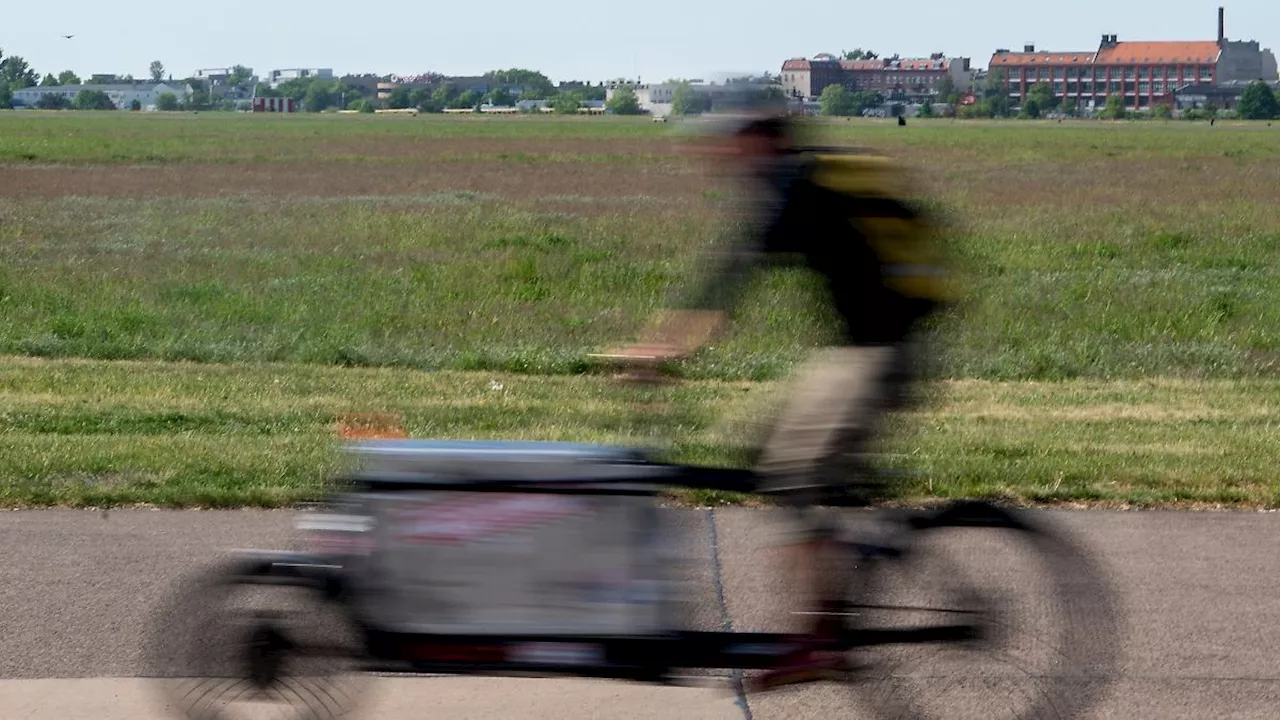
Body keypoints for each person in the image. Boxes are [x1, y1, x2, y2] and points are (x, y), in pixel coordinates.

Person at [609, 111, 949, 690]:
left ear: (760, 140)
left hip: (882, 355)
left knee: (794, 471)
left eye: (729, 142)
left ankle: (819, 642)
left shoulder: (796, 189)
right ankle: (843, 536)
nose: (718, 154)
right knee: (765, 449)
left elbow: (730, 280)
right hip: (856, 349)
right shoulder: (806, 179)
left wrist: (660, 350)